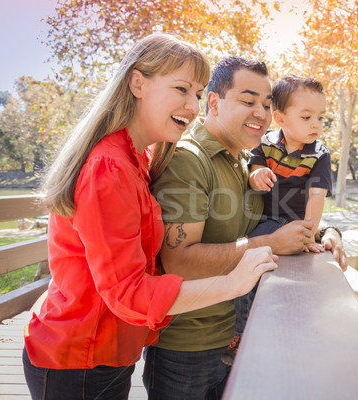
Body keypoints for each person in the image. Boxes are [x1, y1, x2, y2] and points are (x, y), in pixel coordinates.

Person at [22, 34, 277, 400]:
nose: (192, 106)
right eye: (181, 89)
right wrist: (234, 283)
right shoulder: (109, 166)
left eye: (197, 92)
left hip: (111, 351)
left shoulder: (136, 159)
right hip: (78, 356)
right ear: (137, 83)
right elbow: (127, 292)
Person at [144, 56, 346, 400]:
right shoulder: (188, 160)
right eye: (247, 101)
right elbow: (179, 261)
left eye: (266, 105)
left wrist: (327, 232)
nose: (261, 113)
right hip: (189, 349)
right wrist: (271, 243)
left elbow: (281, 210)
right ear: (213, 102)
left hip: (240, 340)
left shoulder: (245, 161)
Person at [221, 73, 333, 365]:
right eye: (307, 116)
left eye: (321, 117)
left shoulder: (318, 154)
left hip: (290, 222)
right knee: (252, 273)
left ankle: (268, 337)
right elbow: (256, 163)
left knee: (263, 269)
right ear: (281, 119)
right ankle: (241, 332)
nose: (316, 125)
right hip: (263, 219)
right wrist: (256, 174)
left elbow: (316, 196)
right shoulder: (267, 142)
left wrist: (309, 232)